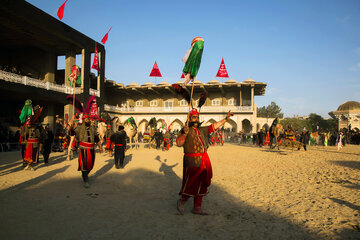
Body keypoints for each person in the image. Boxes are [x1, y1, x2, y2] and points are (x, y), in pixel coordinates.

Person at [176, 108, 233, 215]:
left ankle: (197, 208)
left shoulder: (202, 129)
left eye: (197, 117)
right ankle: (181, 202)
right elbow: (179, 143)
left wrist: (226, 119)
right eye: (194, 117)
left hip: (203, 159)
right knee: (190, 183)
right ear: (189, 118)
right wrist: (184, 134)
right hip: (191, 161)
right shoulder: (184, 130)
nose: (196, 119)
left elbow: (214, 126)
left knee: (202, 184)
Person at [72, 114, 102, 188]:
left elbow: (96, 138)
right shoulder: (79, 128)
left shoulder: (92, 128)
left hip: (91, 148)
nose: (87, 120)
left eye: (88, 119)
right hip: (83, 149)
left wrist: (100, 147)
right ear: (83, 120)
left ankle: (85, 174)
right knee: (84, 165)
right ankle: (86, 179)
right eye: (86, 119)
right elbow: (72, 133)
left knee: (91, 165)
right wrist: (71, 127)